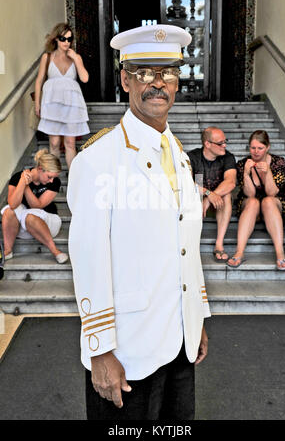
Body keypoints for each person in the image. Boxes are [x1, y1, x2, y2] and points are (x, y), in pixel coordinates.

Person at [67, 24, 210, 420]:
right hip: (127, 353)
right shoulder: (98, 160)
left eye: (167, 73)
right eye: (145, 72)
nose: (157, 83)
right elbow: (89, 258)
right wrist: (99, 350)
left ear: (178, 82)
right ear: (126, 79)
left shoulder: (179, 154)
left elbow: (186, 246)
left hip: (178, 343)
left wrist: (196, 318)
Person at [227, 130, 285, 270]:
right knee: (254, 202)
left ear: (267, 147)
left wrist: (267, 173)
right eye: (252, 148)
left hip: (274, 203)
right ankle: (239, 252)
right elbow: (249, 194)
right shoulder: (243, 163)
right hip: (250, 203)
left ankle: (280, 253)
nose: (256, 152)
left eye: (260, 148)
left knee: (267, 201)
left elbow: (272, 193)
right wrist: (246, 174)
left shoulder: (278, 162)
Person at [35, 22, 89, 169]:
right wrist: (37, 104)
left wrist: (77, 59)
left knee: (70, 143)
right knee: (54, 143)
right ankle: (54, 178)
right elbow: (39, 81)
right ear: (56, 39)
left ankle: (73, 179)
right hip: (52, 104)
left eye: (69, 39)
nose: (66, 42)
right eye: (63, 39)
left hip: (72, 104)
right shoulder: (47, 57)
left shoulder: (75, 57)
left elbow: (85, 78)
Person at [1, 149, 68, 264]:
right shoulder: (18, 177)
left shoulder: (55, 182)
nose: (52, 181)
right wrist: (22, 182)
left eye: (53, 177)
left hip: (49, 223)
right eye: (49, 176)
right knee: (9, 211)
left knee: (30, 216)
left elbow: (37, 205)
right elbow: (12, 204)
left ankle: (55, 251)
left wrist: (26, 187)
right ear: (40, 169)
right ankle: (7, 251)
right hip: (25, 227)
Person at [188, 127, 237, 262]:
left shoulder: (228, 157)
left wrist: (210, 197)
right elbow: (188, 184)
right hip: (198, 200)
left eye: (225, 141)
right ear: (207, 144)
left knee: (226, 195)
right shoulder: (192, 157)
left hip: (218, 203)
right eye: (220, 143)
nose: (224, 145)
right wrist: (207, 193)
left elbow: (231, 182)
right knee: (194, 196)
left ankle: (219, 244)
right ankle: (191, 244)